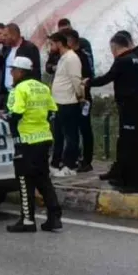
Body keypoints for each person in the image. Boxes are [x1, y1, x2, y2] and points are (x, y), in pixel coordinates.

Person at [86, 32, 138, 193]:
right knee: (135, 142)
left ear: (115, 47)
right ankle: (124, 175)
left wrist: (88, 82)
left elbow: (107, 78)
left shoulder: (123, 61)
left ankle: (133, 182)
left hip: (129, 106)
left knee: (129, 144)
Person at [5, 56, 63, 233]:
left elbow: (15, 115)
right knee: (43, 179)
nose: (11, 73)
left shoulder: (19, 89)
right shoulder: (43, 87)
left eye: (13, 70)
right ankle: (54, 218)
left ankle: (28, 220)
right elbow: (52, 111)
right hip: (43, 139)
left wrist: (9, 122)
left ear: (20, 72)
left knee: (24, 180)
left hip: (25, 141)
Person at [48, 32, 83, 176]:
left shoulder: (72, 58)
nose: (50, 48)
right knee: (58, 135)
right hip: (59, 102)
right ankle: (56, 163)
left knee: (70, 135)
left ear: (59, 43)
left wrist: (80, 96)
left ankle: (69, 165)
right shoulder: (63, 58)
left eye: (51, 44)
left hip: (69, 102)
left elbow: (76, 79)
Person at [66, 29, 95, 172]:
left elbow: (88, 76)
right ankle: (74, 158)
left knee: (85, 129)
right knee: (72, 129)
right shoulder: (68, 57)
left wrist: (81, 92)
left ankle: (87, 160)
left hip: (82, 98)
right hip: (70, 98)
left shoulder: (82, 56)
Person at [2, 23, 42, 91]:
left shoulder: (30, 48)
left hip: (24, 91)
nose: (3, 38)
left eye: (6, 35)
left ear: (14, 35)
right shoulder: (7, 49)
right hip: (8, 91)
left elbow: (35, 71)